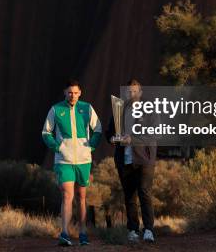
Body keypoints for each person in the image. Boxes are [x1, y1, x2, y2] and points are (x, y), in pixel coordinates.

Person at [42, 80, 102, 247]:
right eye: (69, 92)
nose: (72, 95)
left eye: (75, 93)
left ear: (80, 93)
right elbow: (46, 132)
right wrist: (58, 147)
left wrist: (91, 146)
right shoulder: (56, 109)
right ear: (65, 92)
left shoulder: (87, 108)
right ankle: (65, 233)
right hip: (64, 160)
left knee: (82, 197)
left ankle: (83, 233)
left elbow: (98, 129)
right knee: (67, 195)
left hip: (83, 160)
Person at [105, 79, 156, 242]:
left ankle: (148, 230)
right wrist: (112, 138)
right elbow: (109, 132)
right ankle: (133, 230)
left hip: (145, 159)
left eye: (134, 91)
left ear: (140, 93)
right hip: (124, 159)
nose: (131, 94)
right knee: (129, 195)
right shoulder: (118, 111)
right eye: (128, 91)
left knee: (144, 191)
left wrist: (132, 139)